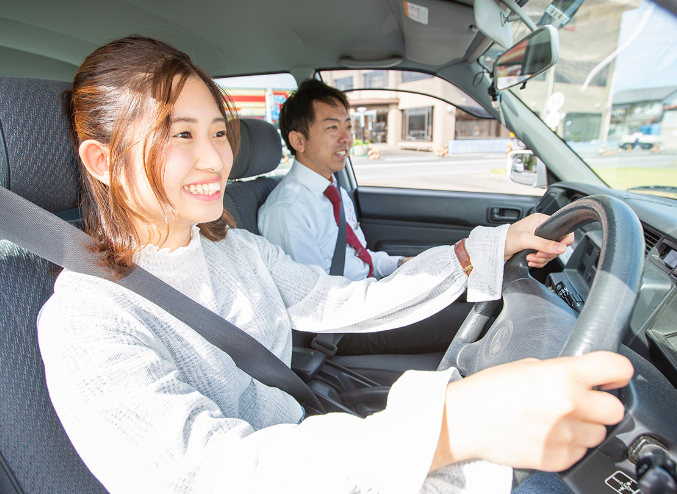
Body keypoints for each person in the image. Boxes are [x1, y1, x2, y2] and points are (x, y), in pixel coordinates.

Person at [37, 35, 634, 494]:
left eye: (218, 132)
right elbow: (213, 474)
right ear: (102, 160)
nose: (213, 157)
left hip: (306, 453)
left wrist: (483, 249)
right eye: (178, 135)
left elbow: (346, 300)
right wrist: (448, 428)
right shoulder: (87, 319)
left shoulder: (235, 249)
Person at [258, 79, 406, 282]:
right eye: (332, 128)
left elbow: (359, 260)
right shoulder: (288, 211)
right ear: (298, 141)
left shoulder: (336, 192)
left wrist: (400, 264)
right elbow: (318, 298)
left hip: (365, 290)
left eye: (348, 126)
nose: (347, 138)